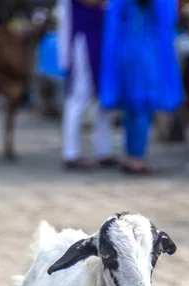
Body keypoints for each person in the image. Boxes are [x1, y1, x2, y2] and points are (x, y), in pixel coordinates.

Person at [99, 0, 183, 174]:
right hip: (149, 54)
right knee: (143, 108)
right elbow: (168, 20)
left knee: (131, 108)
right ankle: (137, 158)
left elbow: (113, 22)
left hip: (125, 51)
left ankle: (130, 155)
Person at [59, 0, 115, 170]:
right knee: (78, 98)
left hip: (101, 41)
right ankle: (71, 152)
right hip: (84, 41)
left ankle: (104, 150)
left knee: (105, 99)